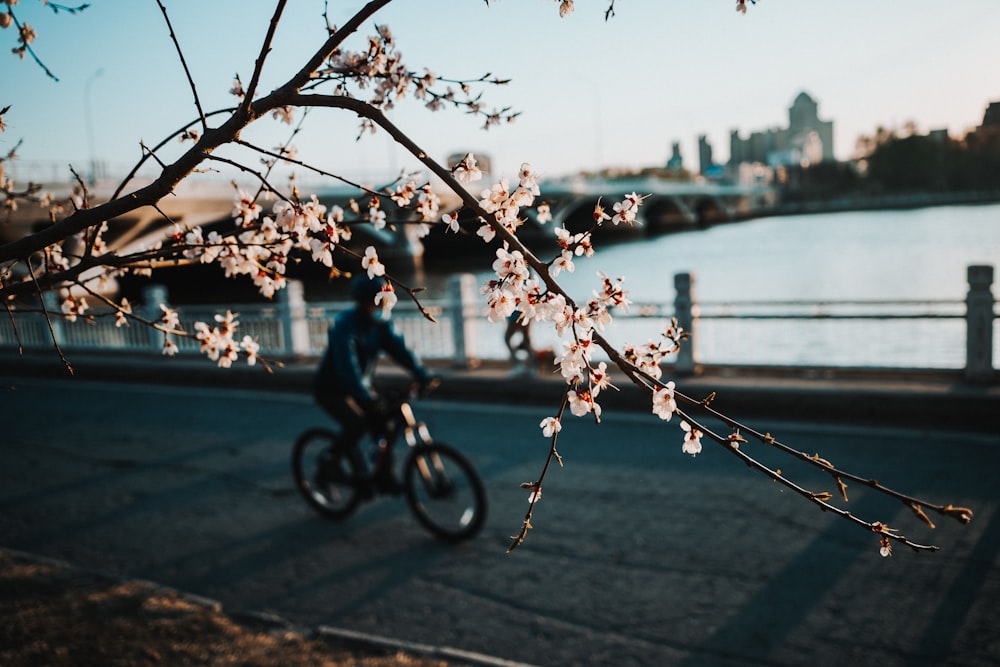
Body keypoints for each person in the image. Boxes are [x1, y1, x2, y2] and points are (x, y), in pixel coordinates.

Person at [313, 274, 433, 492]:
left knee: (384, 424)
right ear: (363, 302)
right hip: (332, 388)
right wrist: (366, 397)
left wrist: (423, 374)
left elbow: (400, 350)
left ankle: (383, 476)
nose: (382, 307)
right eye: (377, 302)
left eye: (384, 302)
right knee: (356, 423)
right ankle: (330, 460)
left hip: (361, 386)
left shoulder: (380, 325)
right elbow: (346, 366)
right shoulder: (344, 325)